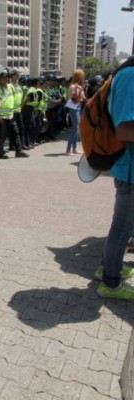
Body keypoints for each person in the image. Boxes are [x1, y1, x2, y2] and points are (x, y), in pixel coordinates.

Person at [96, 61, 134, 300]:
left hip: (128, 169)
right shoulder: (131, 75)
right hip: (130, 170)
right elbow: (124, 130)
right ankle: (111, 282)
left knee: (122, 227)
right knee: (122, 229)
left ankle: (109, 267)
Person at [0, 68, 29, 159]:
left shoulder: (10, 86)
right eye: (3, 77)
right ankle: (0, 153)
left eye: (7, 77)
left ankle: (19, 151)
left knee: (15, 132)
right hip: (1, 115)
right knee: (2, 135)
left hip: (10, 115)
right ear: (0, 78)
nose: (5, 79)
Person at [66, 69, 86, 155]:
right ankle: (68, 149)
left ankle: (74, 148)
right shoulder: (74, 86)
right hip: (74, 108)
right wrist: (80, 91)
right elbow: (72, 97)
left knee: (77, 129)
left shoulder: (78, 86)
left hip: (78, 106)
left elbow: (83, 98)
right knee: (74, 129)